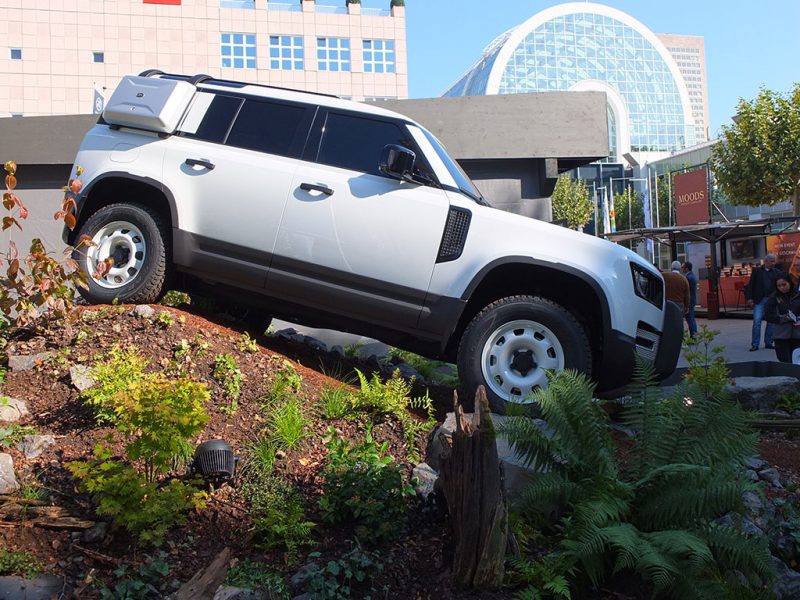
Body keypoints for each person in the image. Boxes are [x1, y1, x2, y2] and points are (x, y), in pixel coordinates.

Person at [744, 253, 784, 351]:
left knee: (771, 322)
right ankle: (755, 344)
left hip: (771, 300)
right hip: (759, 300)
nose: (774, 263)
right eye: (772, 261)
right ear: (766, 261)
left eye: (774, 261)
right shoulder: (757, 271)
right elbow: (751, 285)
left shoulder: (777, 272)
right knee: (757, 322)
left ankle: (769, 342)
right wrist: (750, 298)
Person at [764, 274, 800, 362]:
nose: (782, 288)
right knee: (784, 361)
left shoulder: (798, 295)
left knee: (796, 361)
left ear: (790, 283)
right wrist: (784, 318)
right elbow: (768, 316)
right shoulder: (774, 297)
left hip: (797, 335)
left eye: (784, 284)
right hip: (781, 335)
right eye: (779, 286)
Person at [681, 261, 698, 336]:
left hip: (689, 301)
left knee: (690, 319)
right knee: (692, 319)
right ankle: (694, 334)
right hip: (693, 300)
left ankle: (693, 336)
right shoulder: (692, 276)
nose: (682, 269)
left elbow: (685, 290)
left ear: (686, 268)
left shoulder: (688, 277)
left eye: (683, 267)